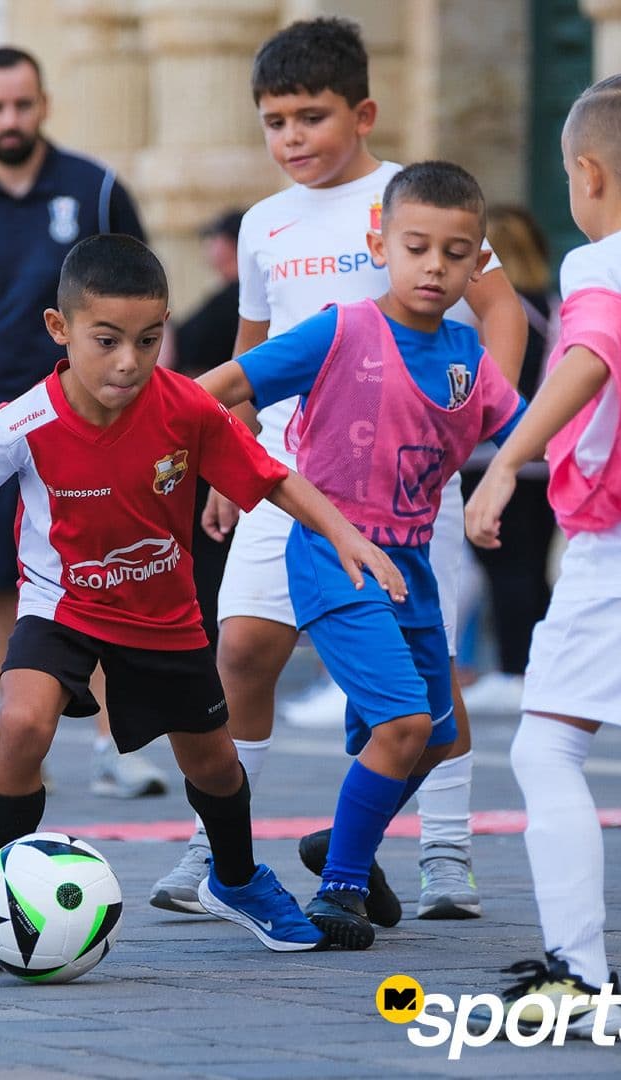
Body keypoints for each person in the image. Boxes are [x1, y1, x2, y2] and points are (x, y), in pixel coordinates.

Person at [0, 235, 404, 973]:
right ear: (60, 330)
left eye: (149, 339)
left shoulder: (187, 408)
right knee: (19, 724)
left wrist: (346, 536)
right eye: (107, 340)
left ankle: (235, 881)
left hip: (164, 617)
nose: (130, 360)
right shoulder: (21, 422)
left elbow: (274, 478)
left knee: (217, 769)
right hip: (60, 607)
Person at [151, 16, 528, 922]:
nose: (292, 140)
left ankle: (443, 852)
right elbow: (250, 351)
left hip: (405, 484)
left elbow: (502, 306)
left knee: (427, 676)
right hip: (283, 472)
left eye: (311, 117)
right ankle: (219, 850)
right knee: (240, 648)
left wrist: (481, 421)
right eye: (274, 121)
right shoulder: (263, 223)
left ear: (363, 113)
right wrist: (219, 474)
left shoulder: (417, 199)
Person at [463, 57, 621, 1038]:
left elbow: (592, 358)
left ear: (590, 173)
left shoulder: (600, 269)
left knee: (546, 745)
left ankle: (581, 976)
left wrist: (501, 460)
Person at [0, 46, 168, 799]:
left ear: (44, 103)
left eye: (22, 104)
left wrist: (147, 388)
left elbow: (147, 298)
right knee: (1, 576)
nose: (9, 119)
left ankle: (115, 747)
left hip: (86, 400)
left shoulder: (94, 190)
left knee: (98, 568)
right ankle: (20, 742)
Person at [459, 206, 560, 716]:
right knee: (529, 567)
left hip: (490, 458)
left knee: (504, 567)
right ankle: (534, 668)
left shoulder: (494, 315)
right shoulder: (556, 305)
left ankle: (518, 671)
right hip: (546, 459)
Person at [175, 209, 247, 643]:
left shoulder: (235, 301)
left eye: (213, 239)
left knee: (212, 542)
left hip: (218, 432)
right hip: (210, 431)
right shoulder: (228, 297)